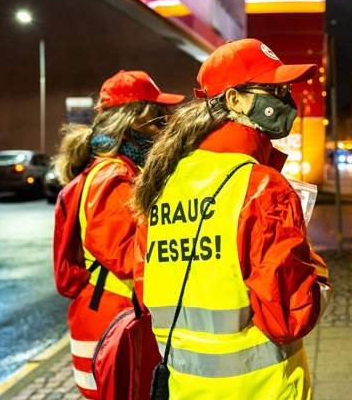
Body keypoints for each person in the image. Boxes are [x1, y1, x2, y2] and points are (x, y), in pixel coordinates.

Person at [131, 38, 332, 399]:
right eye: (273, 88)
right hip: (261, 390)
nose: (285, 99)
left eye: (285, 88)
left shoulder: (163, 182)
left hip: (185, 389)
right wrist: (315, 267)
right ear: (234, 99)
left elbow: (148, 290)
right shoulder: (259, 186)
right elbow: (290, 317)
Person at [53, 70, 184, 398]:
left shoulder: (120, 171)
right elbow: (128, 258)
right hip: (113, 327)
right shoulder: (113, 176)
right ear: (134, 122)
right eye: (158, 117)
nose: (165, 126)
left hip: (115, 320)